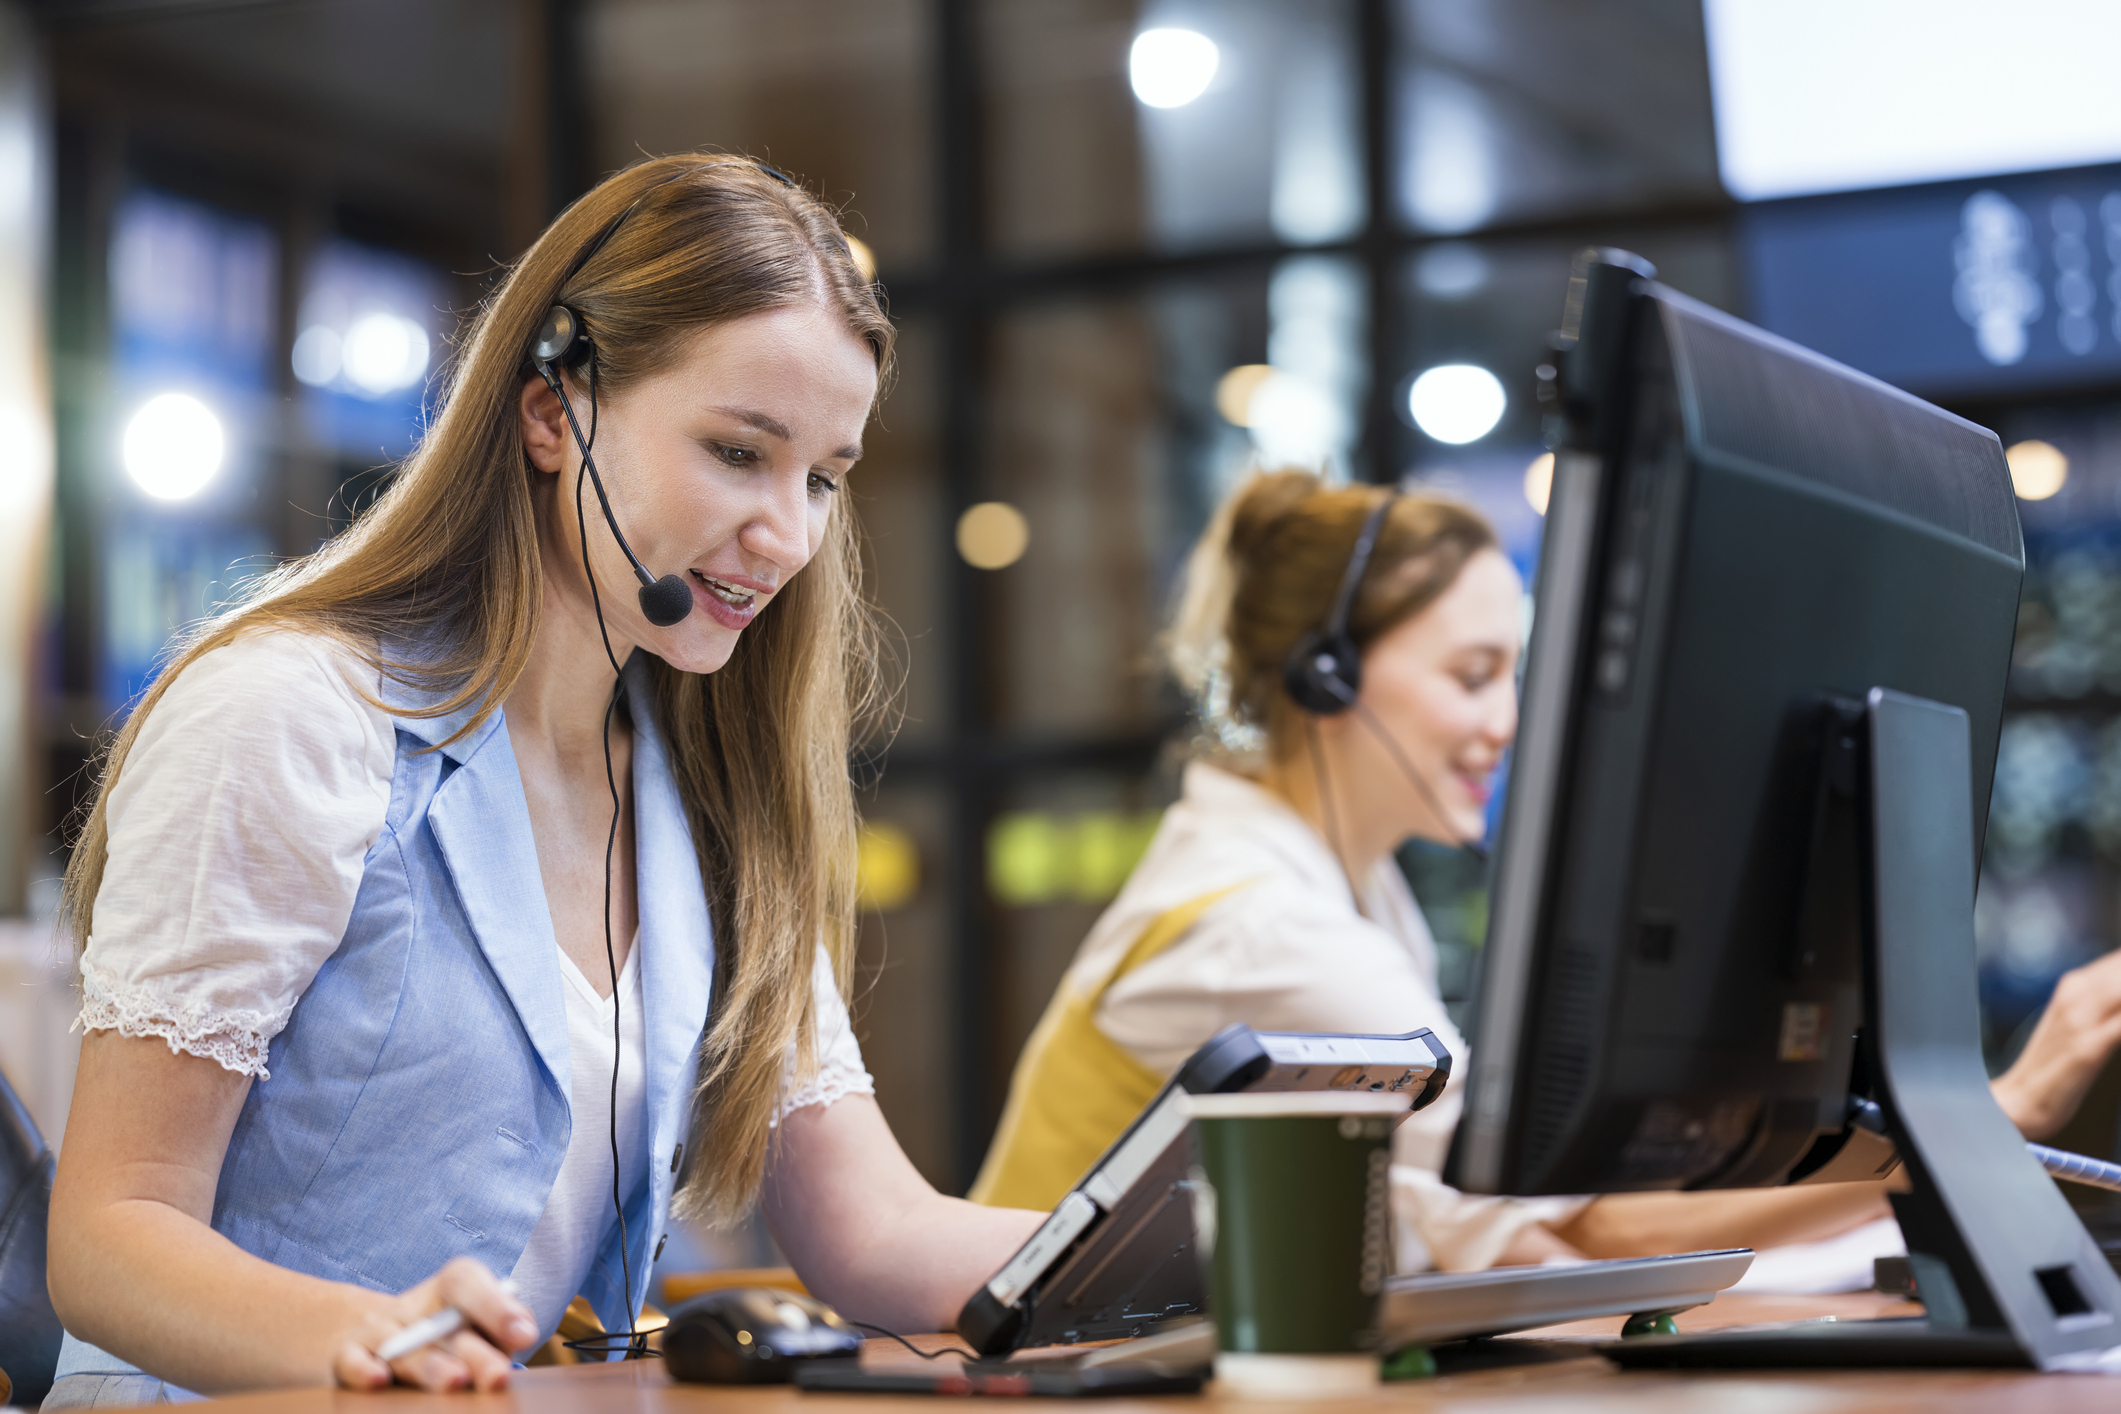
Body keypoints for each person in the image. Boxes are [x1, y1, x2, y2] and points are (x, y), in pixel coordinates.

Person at [43, 155, 1045, 1404]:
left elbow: (875, 1233)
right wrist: (366, 1335)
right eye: (740, 451)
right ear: (550, 414)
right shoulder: (291, 714)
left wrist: (1207, 1230)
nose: (789, 534)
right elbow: (107, 1236)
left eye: (824, 477)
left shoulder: (708, 786)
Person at [971, 468, 2121, 1272]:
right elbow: (1583, 1217)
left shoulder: (1338, 890)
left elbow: (1499, 1219)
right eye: (1474, 673)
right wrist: (1995, 1112)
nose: (1510, 721)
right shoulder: (1267, 929)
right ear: (1325, 679)